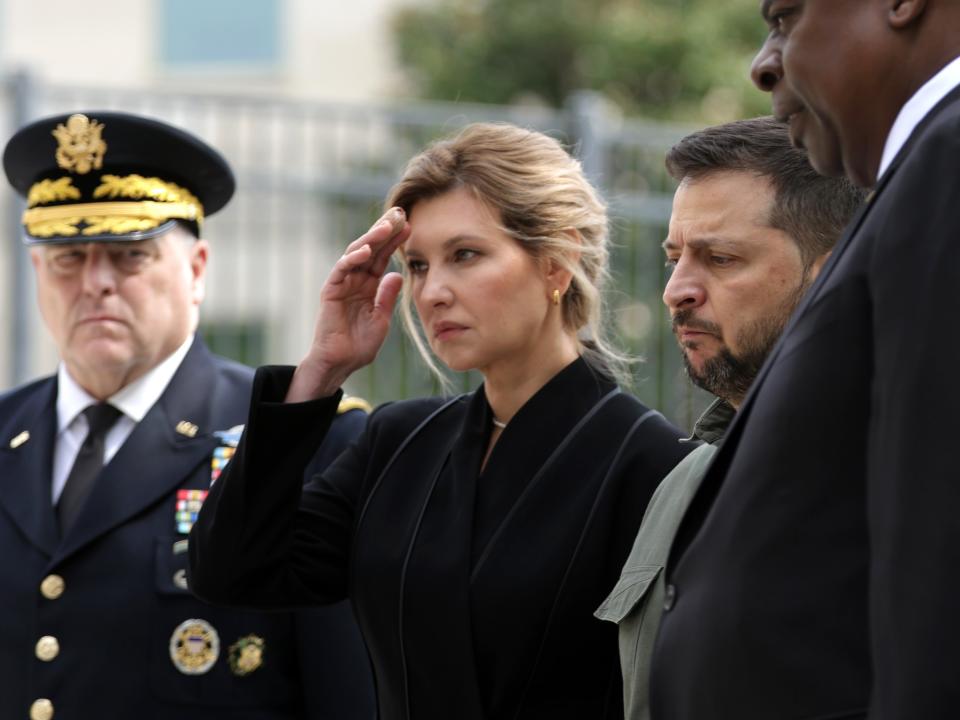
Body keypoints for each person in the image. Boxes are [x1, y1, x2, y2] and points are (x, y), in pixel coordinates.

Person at [189, 122, 692, 720]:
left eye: (466, 255)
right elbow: (232, 571)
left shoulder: (653, 465)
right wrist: (321, 372)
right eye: (419, 265)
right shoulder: (399, 443)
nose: (431, 293)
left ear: (558, 261)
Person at [0, 111, 375, 720]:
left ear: (196, 270)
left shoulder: (299, 440)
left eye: (129, 255)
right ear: (39, 271)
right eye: (68, 256)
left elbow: (345, 690)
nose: (95, 283)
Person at [649, 2, 960, 719]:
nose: (764, 63)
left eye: (786, 17)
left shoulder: (947, 160)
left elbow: (938, 561)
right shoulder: (918, 178)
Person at [594, 116, 863, 720]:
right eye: (674, 258)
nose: (677, 290)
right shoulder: (681, 483)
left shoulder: (894, 478)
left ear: (830, 273)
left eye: (719, 258)